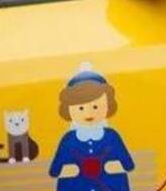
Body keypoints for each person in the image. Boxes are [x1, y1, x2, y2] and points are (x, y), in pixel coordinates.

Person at [48, 63, 135, 191]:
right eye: (81, 108)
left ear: (108, 105)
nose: (88, 113)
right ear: (68, 109)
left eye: (95, 107)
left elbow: (128, 164)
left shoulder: (112, 136)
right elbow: (54, 170)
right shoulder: (68, 140)